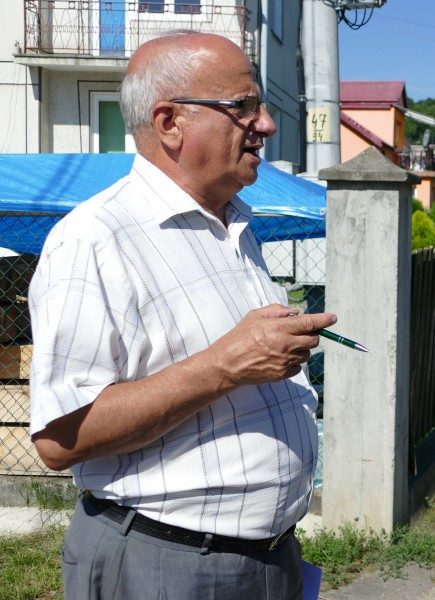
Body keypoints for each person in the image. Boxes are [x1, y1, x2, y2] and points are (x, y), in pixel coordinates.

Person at [27, 31, 334, 599]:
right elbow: (59, 438)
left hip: (269, 559)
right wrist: (228, 364)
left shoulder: (234, 225)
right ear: (170, 122)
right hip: (164, 564)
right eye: (243, 107)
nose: (264, 124)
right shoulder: (95, 239)